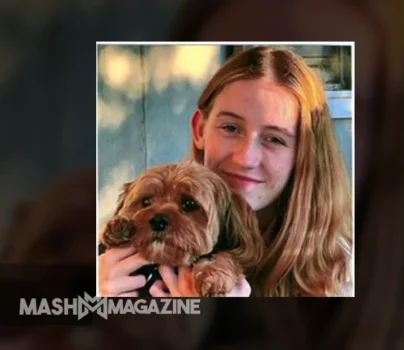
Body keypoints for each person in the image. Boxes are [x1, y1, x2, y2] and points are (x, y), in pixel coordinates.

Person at [99, 46, 353, 297]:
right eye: (231, 128)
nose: (245, 159)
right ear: (200, 129)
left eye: (275, 139)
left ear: (304, 153)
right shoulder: (107, 257)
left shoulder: (344, 274)